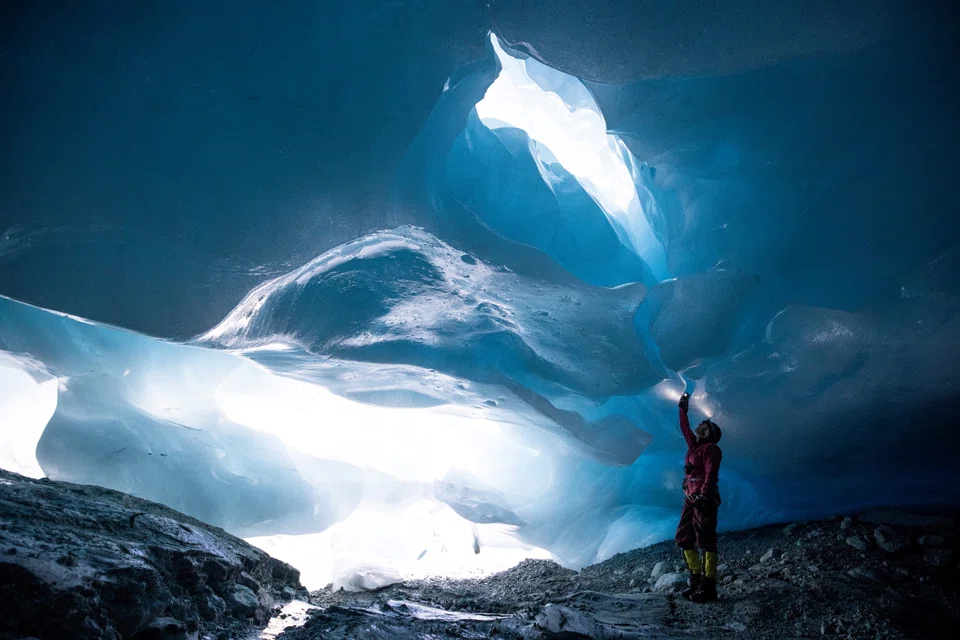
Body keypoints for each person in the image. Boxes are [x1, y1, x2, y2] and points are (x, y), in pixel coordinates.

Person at [675, 392, 723, 603]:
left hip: (704, 499)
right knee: (684, 537)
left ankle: (708, 586)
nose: (701, 424)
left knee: (706, 540)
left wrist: (704, 494)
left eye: (705, 424)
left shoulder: (711, 449)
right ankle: (695, 579)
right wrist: (682, 409)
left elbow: (712, 473)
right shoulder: (695, 446)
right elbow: (684, 428)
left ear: (710, 433)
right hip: (690, 498)